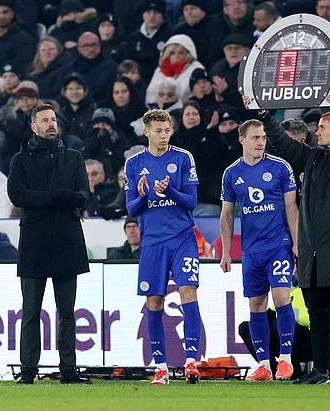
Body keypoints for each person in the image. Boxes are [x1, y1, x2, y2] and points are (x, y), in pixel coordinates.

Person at [252, 93, 330, 385]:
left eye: (323, 127)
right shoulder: (313, 157)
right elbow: (285, 145)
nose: (317, 131)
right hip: (312, 251)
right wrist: (266, 116)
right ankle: (323, 367)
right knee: (318, 312)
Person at [7, 104, 91, 385]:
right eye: (44, 120)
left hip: (67, 240)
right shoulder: (20, 160)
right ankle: (28, 370)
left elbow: (84, 194)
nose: (51, 124)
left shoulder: (74, 157)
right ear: (33, 126)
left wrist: (63, 198)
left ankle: (69, 369)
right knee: (30, 310)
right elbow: (17, 195)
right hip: (35, 241)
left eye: (53, 119)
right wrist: (58, 198)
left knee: (67, 312)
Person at [124, 108, 202, 385]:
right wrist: (144, 195)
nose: (164, 135)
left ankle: (192, 361)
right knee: (154, 301)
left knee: (188, 292)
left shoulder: (183, 158)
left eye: (167, 130)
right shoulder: (134, 164)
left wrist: (168, 191)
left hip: (182, 237)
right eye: (158, 131)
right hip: (152, 241)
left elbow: (192, 201)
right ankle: (161, 367)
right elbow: (131, 207)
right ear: (146, 132)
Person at [219, 118, 299, 381]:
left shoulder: (280, 168)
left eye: (263, 137)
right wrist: (226, 251)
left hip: (278, 245)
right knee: (256, 304)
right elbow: (227, 214)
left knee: (281, 297)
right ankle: (264, 364)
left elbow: (291, 208)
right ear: (242, 140)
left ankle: (285, 360)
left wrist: (297, 243)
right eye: (255, 138)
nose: (261, 142)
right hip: (251, 250)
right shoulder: (231, 173)